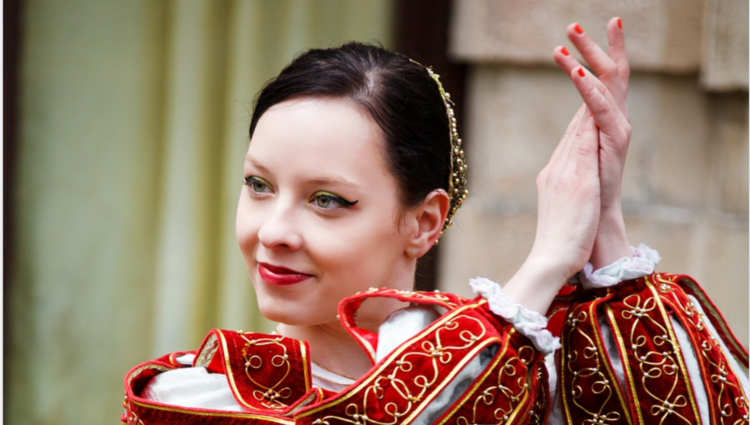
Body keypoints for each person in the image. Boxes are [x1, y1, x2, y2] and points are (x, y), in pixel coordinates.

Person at [122, 18, 748, 424]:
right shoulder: (192, 398)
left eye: (326, 200)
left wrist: (602, 222)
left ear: (424, 222)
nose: (273, 231)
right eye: (259, 186)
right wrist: (544, 264)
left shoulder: (530, 367)